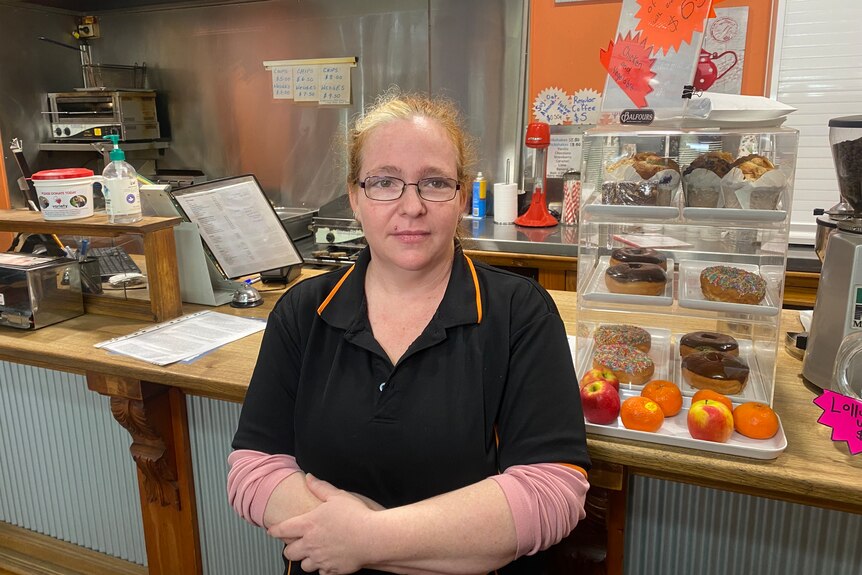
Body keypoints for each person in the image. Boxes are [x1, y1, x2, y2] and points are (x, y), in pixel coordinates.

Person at [228, 91, 591, 575]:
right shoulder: (302, 312)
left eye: (435, 183)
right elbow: (254, 468)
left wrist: (368, 539)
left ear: (462, 197)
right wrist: (419, 546)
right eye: (384, 182)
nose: (412, 206)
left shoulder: (519, 314)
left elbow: (553, 489)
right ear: (355, 197)